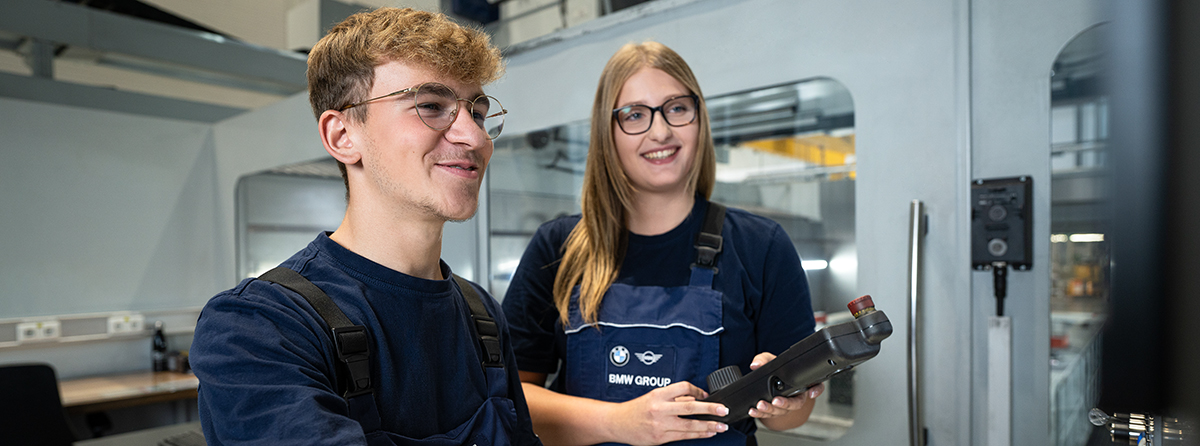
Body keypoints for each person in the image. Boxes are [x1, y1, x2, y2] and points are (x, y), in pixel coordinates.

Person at [191, 8, 541, 446]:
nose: (475, 138)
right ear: (342, 137)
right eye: (431, 106)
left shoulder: (482, 315)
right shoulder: (258, 326)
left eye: (478, 111)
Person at [501, 41, 822, 446]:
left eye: (677, 108)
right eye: (635, 114)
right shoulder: (559, 247)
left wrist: (787, 403)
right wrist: (619, 422)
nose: (660, 131)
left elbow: (790, 419)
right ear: (608, 132)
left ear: (699, 119)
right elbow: (512, 399)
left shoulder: (761, 247)